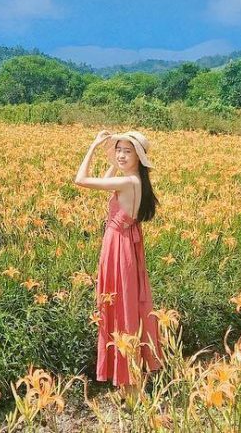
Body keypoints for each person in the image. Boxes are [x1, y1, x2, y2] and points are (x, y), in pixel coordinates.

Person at [74, 129, 163, 405]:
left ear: (140, 156)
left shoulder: (128, 182)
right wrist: (113, 156)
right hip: (124, 247)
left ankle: (132, 387)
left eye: (128, 151)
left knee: (121, 311)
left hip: (119, 249)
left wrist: (93, 146)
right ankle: (130, 387)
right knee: (126, 308)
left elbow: (81, 180)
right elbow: (107, 179)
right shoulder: (135, 180)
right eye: (120, 150)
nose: (122, 155)